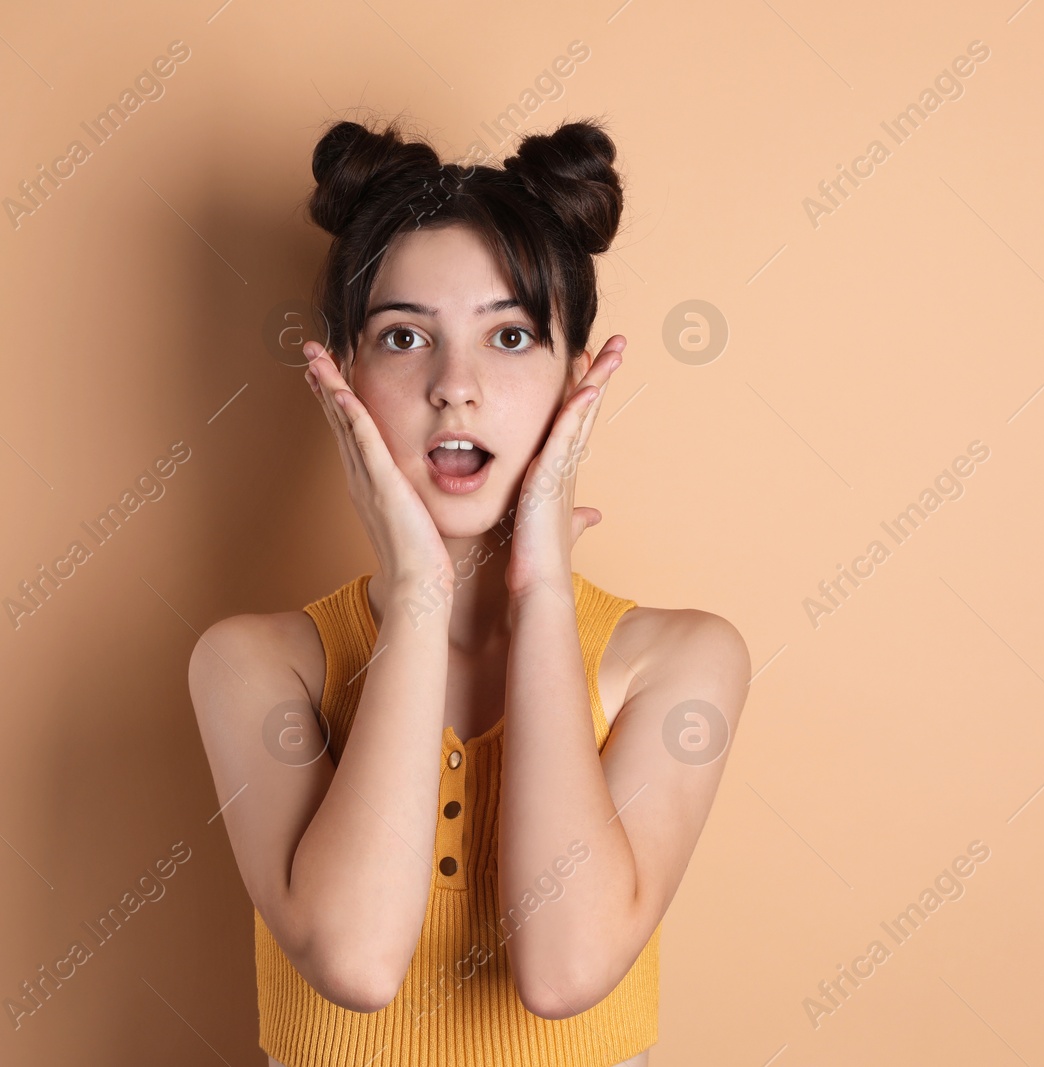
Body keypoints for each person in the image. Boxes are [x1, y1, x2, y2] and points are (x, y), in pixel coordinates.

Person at [188, 114, 751, 1067]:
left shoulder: (681, 660)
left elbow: (565, 972)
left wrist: (543, 596)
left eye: (511, 336)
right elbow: (357, 966)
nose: (457, 385)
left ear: (579, 379)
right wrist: (416, 597)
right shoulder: (253, 662)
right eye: (405, 336)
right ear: (344, 376)